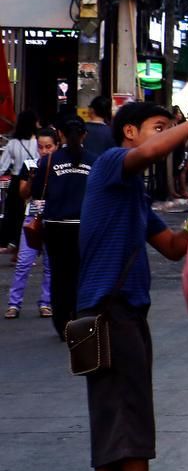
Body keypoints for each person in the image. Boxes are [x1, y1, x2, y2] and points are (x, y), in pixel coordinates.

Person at [77, 100, 188, 471]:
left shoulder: (134, 195)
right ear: (130, 133)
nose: (167, 137)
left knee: (111, 412)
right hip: (109, 309)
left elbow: (174, 247)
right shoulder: (110, 163)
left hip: (113, 310)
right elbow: (149, 154)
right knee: (130, 412)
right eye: (160, 128)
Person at [37, 119, 93, 341]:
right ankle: (81, 319)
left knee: (59, 276)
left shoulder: (49, 161)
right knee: (82, 274)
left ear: (59, 134)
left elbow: (37, 191)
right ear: (84, 135)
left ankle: (62, 323)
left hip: (55, 226)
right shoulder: (94, 162)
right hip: (83, 226)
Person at [6, 126, 56, 319]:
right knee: (23, 262)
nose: (44, 151)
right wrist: (31, 180)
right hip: (33, 216)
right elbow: (22, 193)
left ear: (56, 146)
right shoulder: (31, 165)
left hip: (52, 217)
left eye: (48, 147)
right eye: (41, 147)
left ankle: (46, 302)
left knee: (50, 265)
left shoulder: (59, 166)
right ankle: (14, 303)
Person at [0, 109, 41, 254]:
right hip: (32, 180)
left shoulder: (13, 143)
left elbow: (2, 165)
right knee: (29, 215)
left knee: (13, 214)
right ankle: (26, 248)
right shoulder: (38, 142)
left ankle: (15, 245)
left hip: (16, 181)